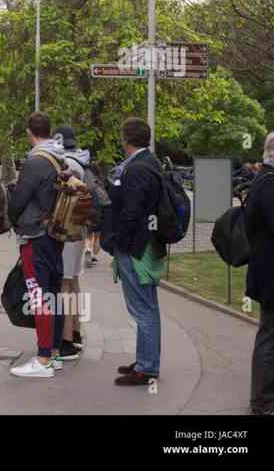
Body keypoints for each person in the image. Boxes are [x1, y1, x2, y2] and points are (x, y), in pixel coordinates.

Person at [7, 112, 67, 379]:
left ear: (30, 133)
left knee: (38, 295)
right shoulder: (59, 158)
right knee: (53, 293)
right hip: (55, 233)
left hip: (35, 235)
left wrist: (11, 217)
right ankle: (54, 353)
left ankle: (42, 359)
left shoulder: (35, 161)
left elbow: (20, 199)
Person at [109, 118, 167, 387]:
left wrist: (118, 243)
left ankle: (146, 368)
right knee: (149, 307)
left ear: (125, 139)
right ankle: (146, 360)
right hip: (148, 244)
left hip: (136, 248)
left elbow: (131, 211)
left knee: (142, 309)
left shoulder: (136, 169)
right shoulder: (151, 163)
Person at [245, 130, 274, 414]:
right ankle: (263, 401)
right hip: (272, 276)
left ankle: (268, 396)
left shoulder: (267, 180)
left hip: (269, 273)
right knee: (271, 336)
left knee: (271, 334)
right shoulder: (269, 184)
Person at [55, 126, 90, 359]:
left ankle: (66, 342)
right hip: (79, 228)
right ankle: (76, 332)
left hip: (66, 229)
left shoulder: (66, 164)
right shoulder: (81, 160)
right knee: (74, 281)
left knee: (64, 284)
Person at [84, 160, 104, 270]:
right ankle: (94, 256)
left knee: (88, 233)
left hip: (87, 208)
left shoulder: (86, 180)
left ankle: (88, 249)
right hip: (99, 210)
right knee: (97, 235)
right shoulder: (100, 182)